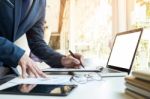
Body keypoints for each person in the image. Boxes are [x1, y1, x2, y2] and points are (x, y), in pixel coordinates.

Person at [0, 0, 82, 80]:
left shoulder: (40, 3)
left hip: (7, 73)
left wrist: (61, 59)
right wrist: (17, 54)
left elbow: (37, 42)